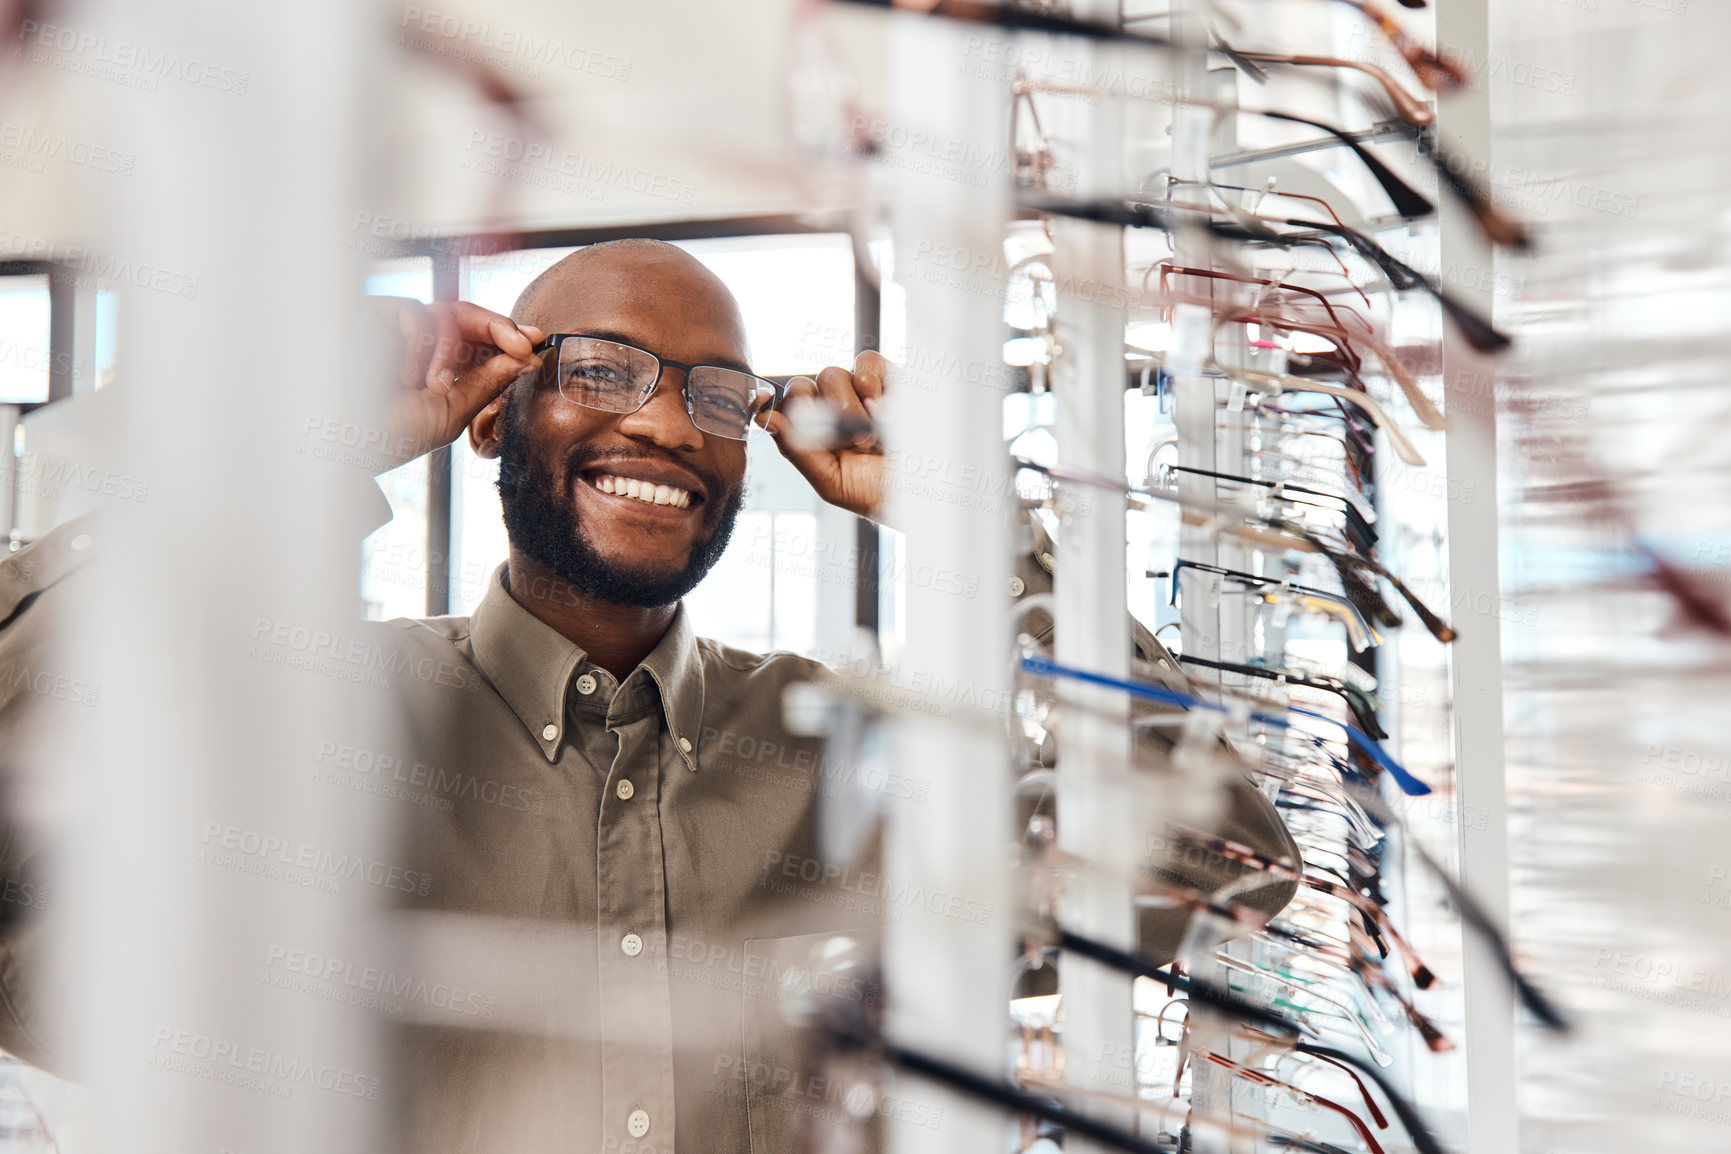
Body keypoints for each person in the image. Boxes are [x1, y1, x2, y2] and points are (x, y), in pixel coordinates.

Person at [0, 238, 1295, 1153]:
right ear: (494, 413)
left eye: (716, 396)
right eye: (605, 370)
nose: (671, 429)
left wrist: (985, 532)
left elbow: (1209, 858)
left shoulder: (851, 755)